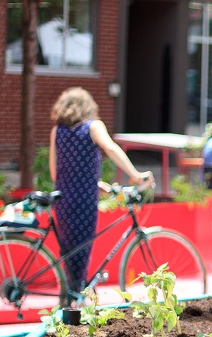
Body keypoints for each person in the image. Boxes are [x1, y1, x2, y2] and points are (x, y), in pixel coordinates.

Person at [49, 87, 154, 296]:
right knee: (83, 250)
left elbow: (56, 173)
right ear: (87, 106)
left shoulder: (57, 131)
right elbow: (112, 148)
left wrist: (94, 182)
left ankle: (71, 298)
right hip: (84, 199)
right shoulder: (93, 127)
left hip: (62, 199)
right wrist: (135, 173)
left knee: (70, 251)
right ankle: (77, 299)